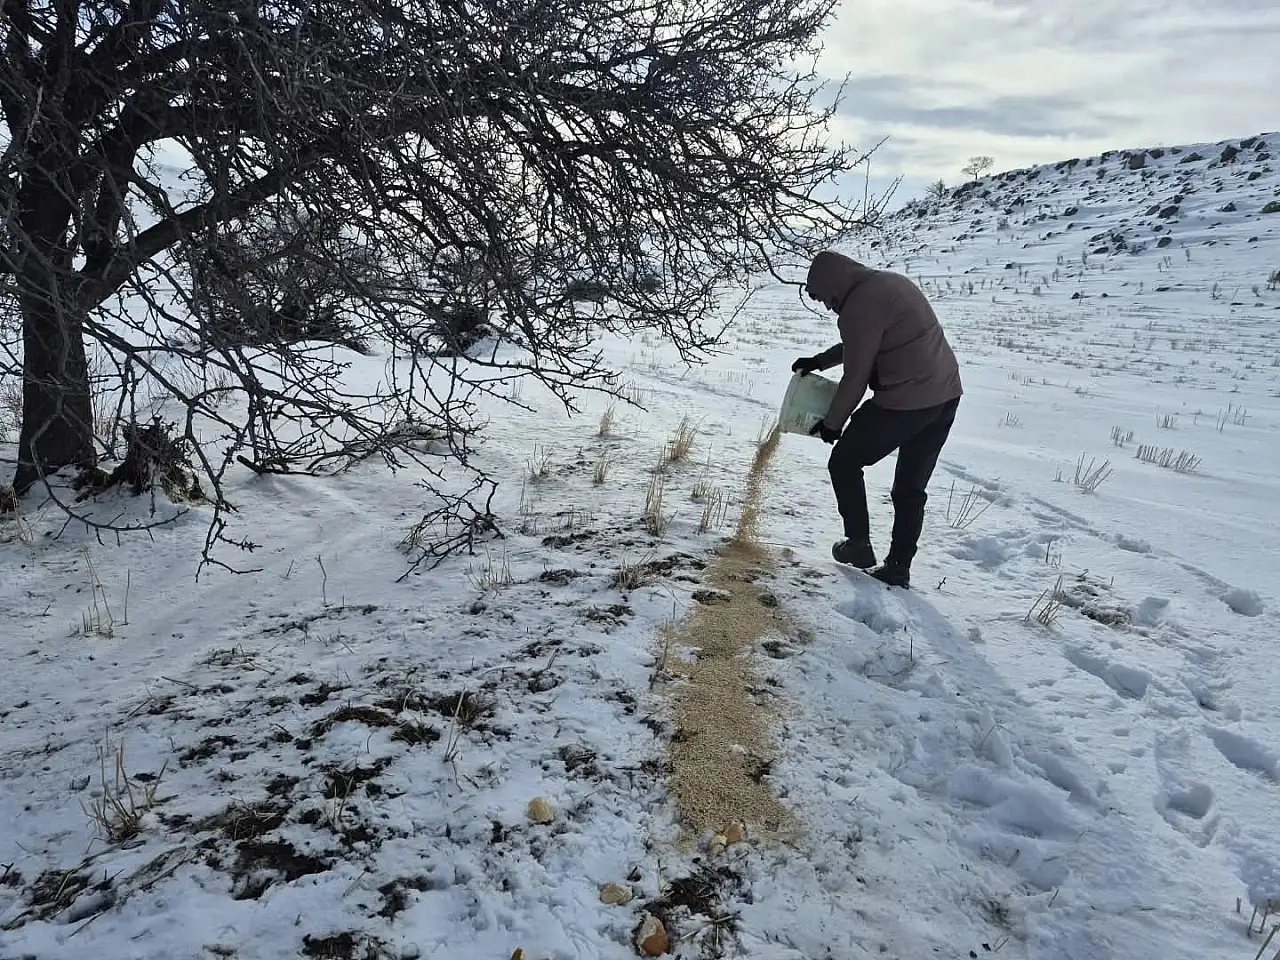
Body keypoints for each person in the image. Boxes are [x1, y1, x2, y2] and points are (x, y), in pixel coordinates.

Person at [792, 251, 963, 589]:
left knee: (843, 462)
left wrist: (832, 424)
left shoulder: (859, 306)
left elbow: (856, 376)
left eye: (825, 297)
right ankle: (898, 567)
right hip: (944, 397)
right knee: (910, 489)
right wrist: (819, 361)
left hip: (905, 401)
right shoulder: (887, 283)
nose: (828, 306)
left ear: (833, 283)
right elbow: (863, 342)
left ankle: (858, 544)